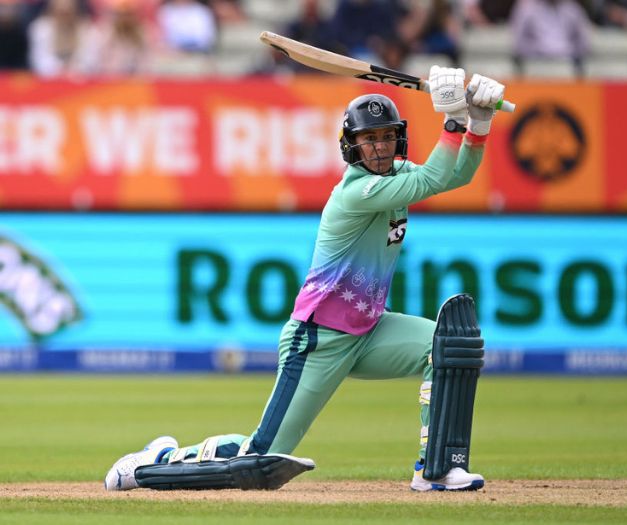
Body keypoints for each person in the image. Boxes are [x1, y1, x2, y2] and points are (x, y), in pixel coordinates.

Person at [104, 65, 506, 492]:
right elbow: (437, 176)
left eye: (387, 136)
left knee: (446, 348)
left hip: (370, 329)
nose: (380, 147)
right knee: (262, 456)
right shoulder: (357, 192)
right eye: (369, 139)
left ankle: (436, 469)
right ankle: (155, 461)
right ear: (351, 147)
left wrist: (478, 123)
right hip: (318, 339)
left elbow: (457, 175)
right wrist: (453, 120)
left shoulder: (399, 175)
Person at [510, 0, 592, 62]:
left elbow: (583, 41)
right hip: (534, 64)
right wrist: (538, 51)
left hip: (567, 63)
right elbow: (517, 42)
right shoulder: (526, 7)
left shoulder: (572, 9)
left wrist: (569, 51)